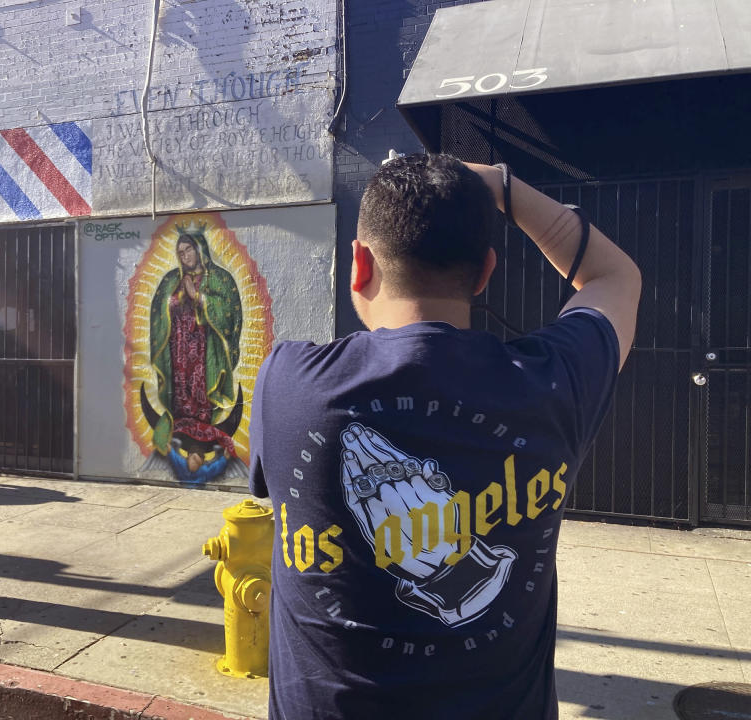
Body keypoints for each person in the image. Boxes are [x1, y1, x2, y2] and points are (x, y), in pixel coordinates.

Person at [249, 153, 641, 719]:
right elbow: (615, 276)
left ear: (359, 264)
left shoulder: (287, 382)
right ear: (485, 272)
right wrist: (503, 187)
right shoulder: (552, 381)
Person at [148, 230, 242, 462]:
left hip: (205, 348)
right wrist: (169, 304)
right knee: (180, 388)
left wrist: (198, 296)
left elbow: (230, 314)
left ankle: (201, 430)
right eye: (180, 252)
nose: (184, 256)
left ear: (200, 249)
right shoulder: (171, 279)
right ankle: (181, 424)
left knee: (201, 386)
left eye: (188, 249)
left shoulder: (220, 278)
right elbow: (158, 311)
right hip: (178, 347)